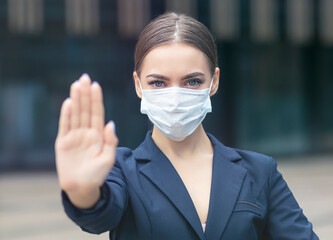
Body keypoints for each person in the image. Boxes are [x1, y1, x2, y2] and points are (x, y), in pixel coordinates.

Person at [55, 12, 319, 240]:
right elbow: (100, 216)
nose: (174, 97)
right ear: (138, 85)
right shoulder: (122, 171)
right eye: (158, 83)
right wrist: (83, 192)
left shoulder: (260, 172)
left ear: (214, 81)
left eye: (192, 81)